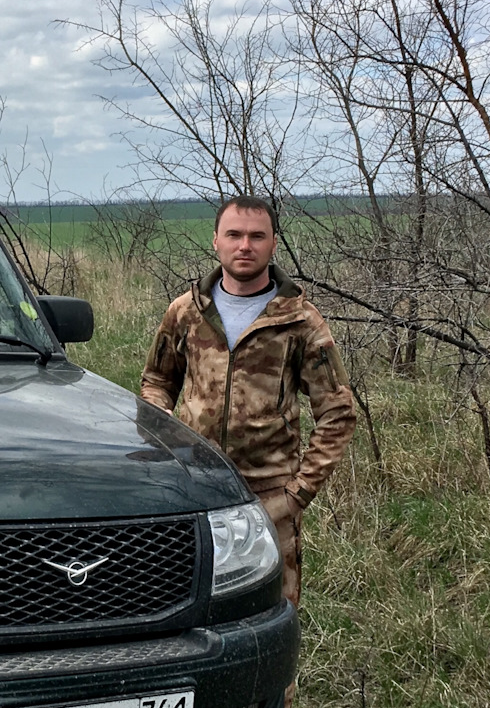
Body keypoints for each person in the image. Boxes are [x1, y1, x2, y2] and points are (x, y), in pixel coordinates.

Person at [138, 196, 357, 627]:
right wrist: (164, 456)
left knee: (269, 624)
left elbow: (337, 412)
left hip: (267, 499)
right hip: (192, 492)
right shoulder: (185, 312)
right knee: (186, 622)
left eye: (257, 236)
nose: (245, 245)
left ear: (273, 244)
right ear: (216, 241)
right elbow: (157, 383)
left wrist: (297, 496)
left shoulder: (300, 321)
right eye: (234, 235)